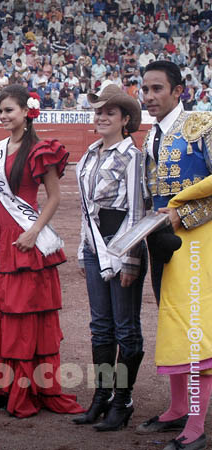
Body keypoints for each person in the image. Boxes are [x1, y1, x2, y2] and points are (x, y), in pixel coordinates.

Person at [0, 85, 83, 418]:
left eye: (9, 110)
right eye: (0, 111)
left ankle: (22, 387)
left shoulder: (41, 150)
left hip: (28, 235)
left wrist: (34, 231)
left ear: (27, 111)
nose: (3, 116)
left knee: (23, 311)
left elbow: (54, 197)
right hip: (0, 237)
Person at [135, 61, 212, 450]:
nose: (148, 96)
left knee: (196, 329)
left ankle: (196, 426)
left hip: (200, 240)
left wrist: (184, 214)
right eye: (145, 89)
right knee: (173, 321)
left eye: (157, 89)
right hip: (163, 240)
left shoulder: (202, 126)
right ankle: (178, 407)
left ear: (178, 90)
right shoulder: (151, 137)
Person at [73, 85, 147, 430]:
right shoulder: (89, 154)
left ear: (125, 119)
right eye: (99, 112)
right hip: (94, 248)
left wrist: (129, 258)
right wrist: (84, 246)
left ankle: (123, 400)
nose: (102, 117)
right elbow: (86, 210)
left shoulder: (133, 156)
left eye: (110, 113)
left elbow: (136, 210)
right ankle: (101, 398)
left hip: (122, 247)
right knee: (100, 328)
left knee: (125, 328)